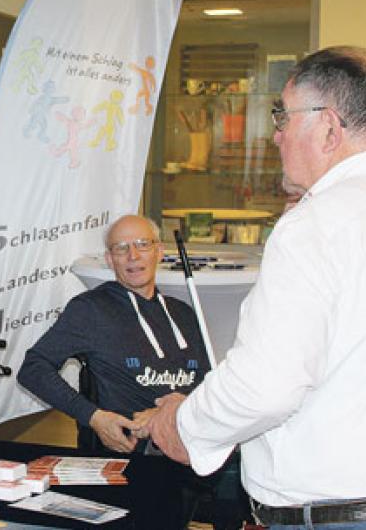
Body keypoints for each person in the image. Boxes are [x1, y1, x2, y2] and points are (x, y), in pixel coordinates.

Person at [142, 46, 366, 529]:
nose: (275, 135)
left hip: (332, 512)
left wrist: (185, 426)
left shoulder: (317, 225)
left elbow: (267, 386)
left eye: (283, 117)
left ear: (329, 127)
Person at [18, 214, 246, 529]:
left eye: (142, 244)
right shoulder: (90, 310)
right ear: (110, 259)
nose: (133, 255)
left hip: (184, 463)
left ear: (160, 252)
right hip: (128, 467)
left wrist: (178, 403)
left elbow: (206, 384)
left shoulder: (184, 314)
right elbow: (33, 368)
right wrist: (95, 417)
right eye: (122, 248)